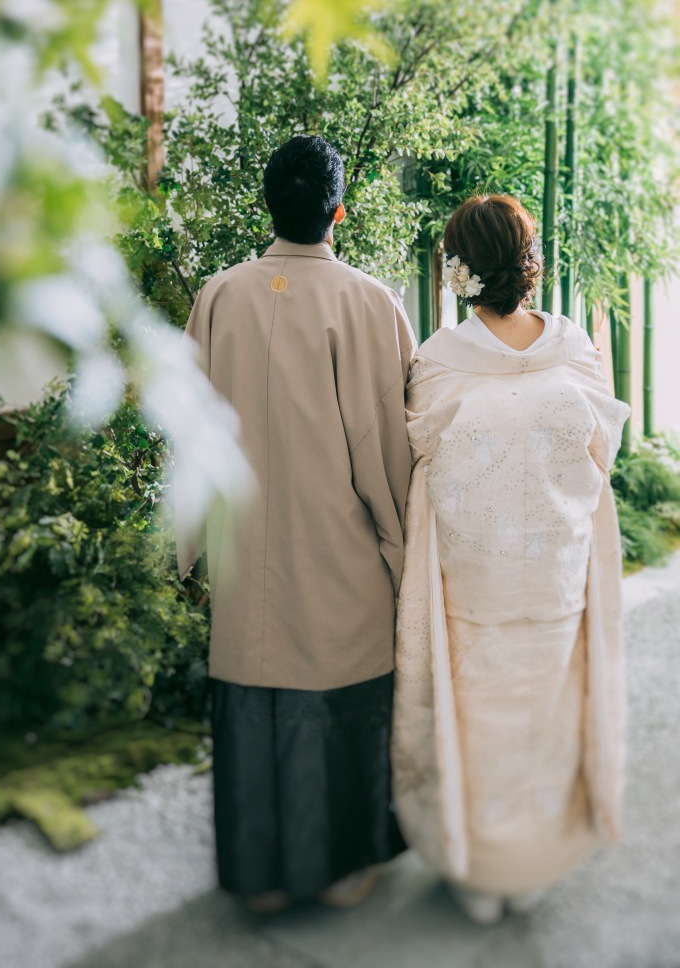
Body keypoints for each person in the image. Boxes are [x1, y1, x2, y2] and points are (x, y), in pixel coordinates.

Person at [178, 134, 416, 912]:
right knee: (338, 700)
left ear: (269, 207)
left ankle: (259, 877)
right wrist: (403, 550)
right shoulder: (369, 302)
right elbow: (386, 445)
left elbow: (189, 432)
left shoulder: (218, 295)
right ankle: (338, 871)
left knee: (255, 698)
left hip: (244, 546)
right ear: (338, 212)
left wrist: (188, 548)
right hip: (338, 549)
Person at [392, 194, 629, 925]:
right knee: (545, 717)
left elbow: (419, 453)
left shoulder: (438, 361)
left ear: (457, 268)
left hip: (474, 579)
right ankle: (526, 865)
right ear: (529, 263)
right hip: (556, 571)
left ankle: (484, 868)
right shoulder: (573, 352)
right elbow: (603, 451)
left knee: (479, 725)